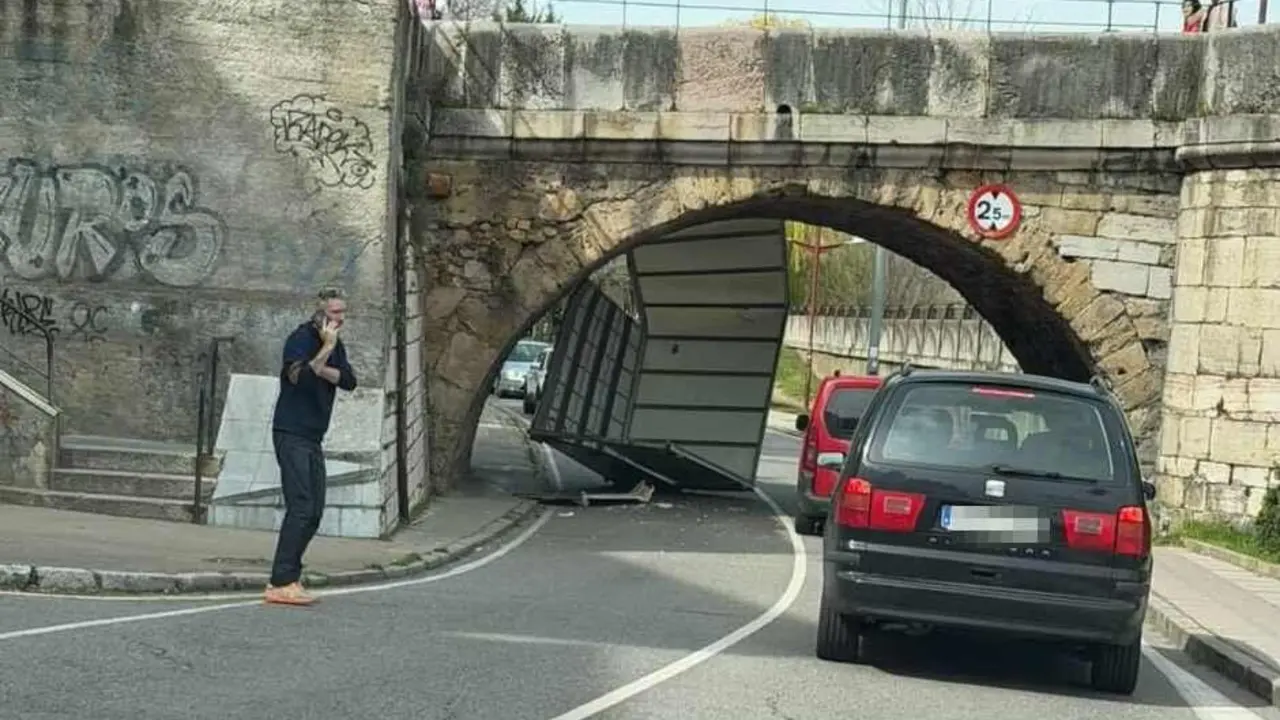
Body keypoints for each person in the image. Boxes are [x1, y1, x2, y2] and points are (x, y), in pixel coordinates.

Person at [264, 287, 358, 606]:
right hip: (291, 432)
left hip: (313, 436)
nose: (340, 318)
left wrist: (324, 364)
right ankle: (281, 580)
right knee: (301, 505)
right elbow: (298, 377)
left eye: (343, 312)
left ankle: (291, 576)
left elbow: (348, 380)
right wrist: (324, 352)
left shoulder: (336, 345)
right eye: (334, 312)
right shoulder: (300, 339)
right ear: (319, 313)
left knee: (315, 510)